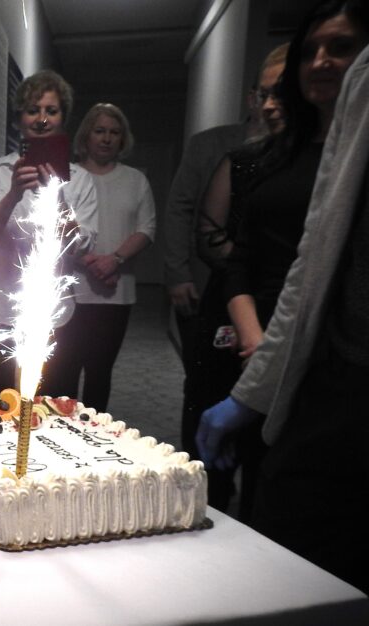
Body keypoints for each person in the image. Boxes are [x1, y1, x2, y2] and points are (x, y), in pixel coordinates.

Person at [198, 1, 369, 591]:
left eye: (342, 48)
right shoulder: (275, 154)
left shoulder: (351, 153)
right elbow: (247, 254)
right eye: (310, 51)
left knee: (303, 515)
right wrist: (257, 343)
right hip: (261, 335)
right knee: (258, 491)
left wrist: (273, 355)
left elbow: (323, 270)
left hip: (325, 355)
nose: (322, 62)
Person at [168, 44, 289, 511]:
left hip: (290, 310)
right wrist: (180, 272)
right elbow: (198, 223)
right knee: (207, 403)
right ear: (251, 97)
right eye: (265, 93)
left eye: (283, 93)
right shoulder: (232, 155)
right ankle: (206, 505)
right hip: (229, 301)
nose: (271, 105)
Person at [0, 70, 98, 391]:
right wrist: (12, 195)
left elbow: (82, 246)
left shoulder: (80, 180)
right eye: (33, 110)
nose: (42, 119)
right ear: (19, 118)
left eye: (51, 111)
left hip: (54, 314)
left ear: (63, 117)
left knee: (52, 403)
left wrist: (57, 196)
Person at [40, 104, 155, 412]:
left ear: (122, 139)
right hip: (70, 291)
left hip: (115, 295)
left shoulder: (135, 180)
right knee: (62, 372)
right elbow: (50, 224)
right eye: (99, 130)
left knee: (99, 373)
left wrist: (114, 259)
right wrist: (88, 261)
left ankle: (94, 432)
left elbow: (147, 229)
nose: (106, 138)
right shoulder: (68, 175)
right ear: (86, 135)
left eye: (114, 132)